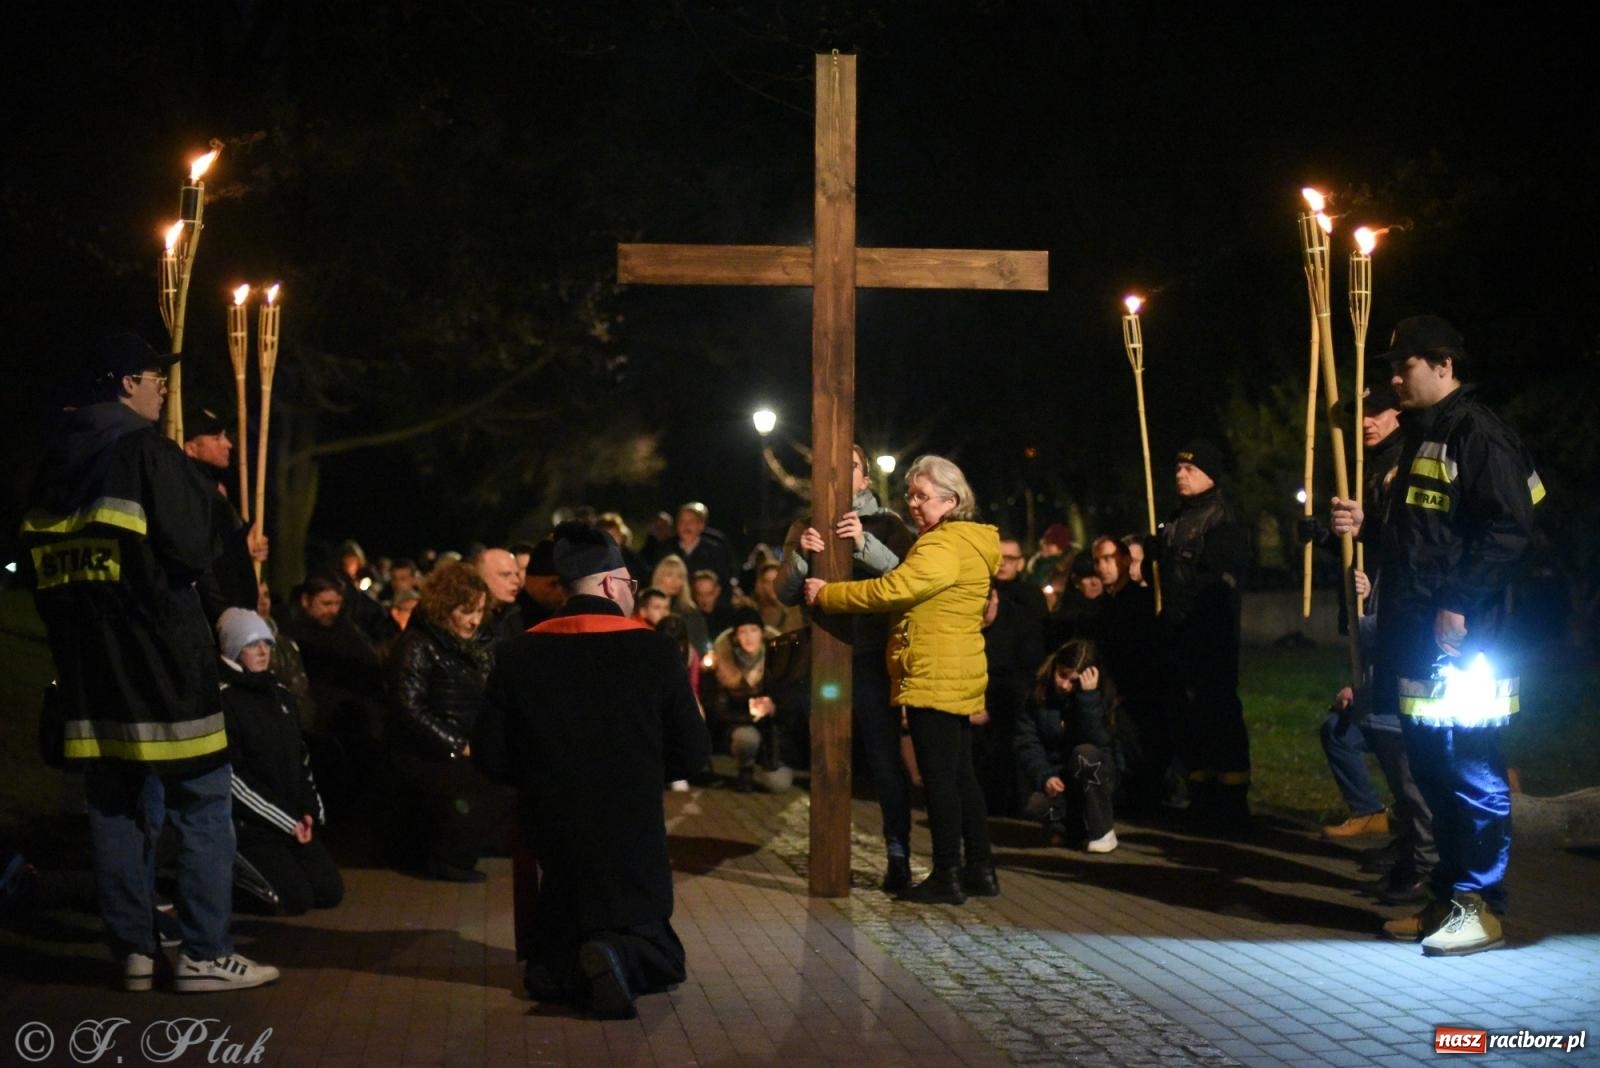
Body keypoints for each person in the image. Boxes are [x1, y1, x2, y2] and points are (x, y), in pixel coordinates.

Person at [20, 332, 277, 992]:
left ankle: (133, 950)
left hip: (89, 672)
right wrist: (225, 529)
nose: (164, 388)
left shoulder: (52, 465)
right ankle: (204, 953)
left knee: (115, 809)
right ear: (126, 383)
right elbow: (190, 550)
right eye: (154, 376)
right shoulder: (148, 453)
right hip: (165, 668)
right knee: (203, 806)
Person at [1331, 315, 1540, 955]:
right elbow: (1426, 535)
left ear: (1444, 365)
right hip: (1419, 636)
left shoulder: (1477, 433)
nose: (1395, 380)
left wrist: (1458, 600)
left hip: (1463, 640)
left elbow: (1510, 526)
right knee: (1431, 769)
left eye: (1406, 367)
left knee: (1469, 768)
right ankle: (1448, 900)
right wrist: (1368, 524)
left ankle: (1480, 906)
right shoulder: (1427, 437)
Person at [475, 522, 709, 1017]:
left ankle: (578, 966)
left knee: (553, 956)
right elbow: (693, 754)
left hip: (556, 840)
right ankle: (616, 954)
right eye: (629, 585)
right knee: (661, 955)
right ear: (608, 583)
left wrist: (542, 779)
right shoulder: (654, 650)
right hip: (632, 839)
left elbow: (491, 756)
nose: (631, 594)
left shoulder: (517, 653)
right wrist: (640, 773)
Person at [807, 454, 1000, 904]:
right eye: (910, 495)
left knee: (939, 779)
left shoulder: (942, 545)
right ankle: (980, 868)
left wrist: (830, 595)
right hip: (955, 668)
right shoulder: (968, 541)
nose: (913, 504)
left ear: (951, 500)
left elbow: (893, 589)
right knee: (961, 775)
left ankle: (947, 874)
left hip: (935, 671)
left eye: (922, 496)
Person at [778, 444, 915, 890]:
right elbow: (783, 591)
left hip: (872, 657)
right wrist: (801, 555)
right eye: (830, 466)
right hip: (825, 658)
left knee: (884, 759)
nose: (839, 473)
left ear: (865, 478)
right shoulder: (803, 525)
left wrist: (862, 544)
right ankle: (828, 853)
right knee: (826, 754)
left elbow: (906, 580)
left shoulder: (889, 525)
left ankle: (898, 852)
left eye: (850, 466)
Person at [385, 561, 508, 882]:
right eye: (466, 611)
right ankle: (447, 859)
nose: (474, 620)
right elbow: (409, 707)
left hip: (465, 742)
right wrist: (456, 744)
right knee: (471, 788)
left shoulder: (477, 646)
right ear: (445, 607)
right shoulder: (418, 644)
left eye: (479, 611)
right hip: (425, 751)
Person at [216, 608, 344, 916]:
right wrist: (286, 820)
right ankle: (232, 875)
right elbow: (234, 778)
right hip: (254, 825)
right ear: (234, 650)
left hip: (290, 818)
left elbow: (299, 757)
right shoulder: (225, 700)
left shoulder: (280, 695)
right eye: (252, 644)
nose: (263, 651)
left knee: (329, 892)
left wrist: (309, 810)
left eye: (267, 643)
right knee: (295, 899)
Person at [1160, 439, 1252, 828]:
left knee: (1219, 714)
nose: (1181, 475)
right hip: (1179, 636)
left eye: (1190, 469)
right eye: (1178, 468)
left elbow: (1220, 580)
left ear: (1210, 475)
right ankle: (1200, 794)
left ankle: (1231, 801)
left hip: (1211, 638)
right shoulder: (1176, 520)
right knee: (1188, 717)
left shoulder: (1222, 522)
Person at [1015, 640, 1119, 852]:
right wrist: (1045, 776)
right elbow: (1027, 742)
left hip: (1092, 776)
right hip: (1058, 777)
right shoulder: (1037, 694)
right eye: (1062, 675)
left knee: (1085, 754)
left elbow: (1098, 741)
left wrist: (1088, 698)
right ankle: (1070, 829)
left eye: (1073, 681)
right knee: (1034, 805)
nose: (1065, 685)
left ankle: (1102, 831)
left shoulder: (1098, 696)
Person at [183, 406, 268, 624]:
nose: (228, 444)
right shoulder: (192, 492)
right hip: (218, 616)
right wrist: (226, 615)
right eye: (216, 438)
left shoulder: (215, 488)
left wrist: (245, 542)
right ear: (191, 448)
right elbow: (208, 564)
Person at [701, 606, 794, 791]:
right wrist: (750, 715)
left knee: (778, 784)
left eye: (753, 630)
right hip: (740, 724)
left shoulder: (777, 661)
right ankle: (745, 769)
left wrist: (773, 707)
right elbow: (718, 709)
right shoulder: (723, 662)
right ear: (735, 636)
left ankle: (769, 766)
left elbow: (791, 702)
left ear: (762, 633)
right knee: (746, 738)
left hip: (772, 733)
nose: (748, 637)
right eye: (742, 631)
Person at [477, 547, 527, 644]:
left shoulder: (515, 615)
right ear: (482, 577)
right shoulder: (468, 618)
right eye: (506, 575)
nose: (516, 581)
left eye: (516, 574)